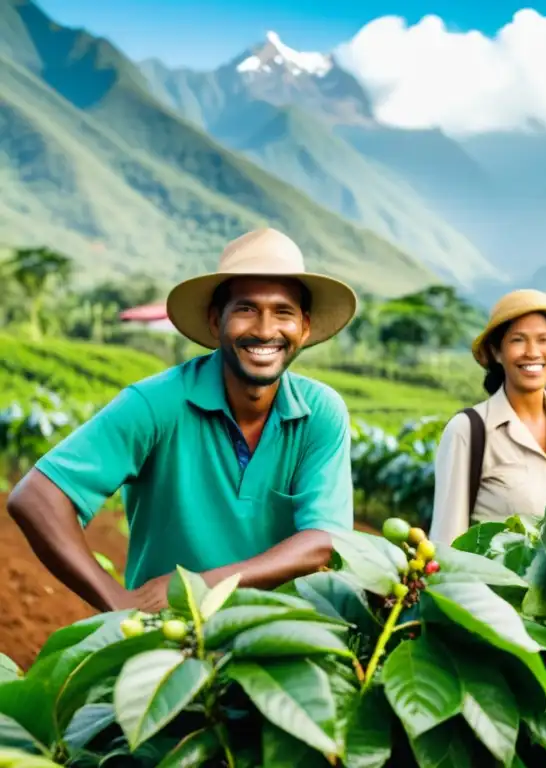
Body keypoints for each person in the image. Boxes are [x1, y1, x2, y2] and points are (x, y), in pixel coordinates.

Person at [7, 228, 359, 613]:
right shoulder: (155, 404)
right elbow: (37, 496)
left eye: (283, 312)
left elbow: (324, 539)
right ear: (215, 321)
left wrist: (202, 585)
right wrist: (115, 601)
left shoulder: (321, 412)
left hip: (280, 640)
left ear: (304, 328)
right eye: (245, 309)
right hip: (168, 640)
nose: (264, 329)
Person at [429, 289, 546, 545]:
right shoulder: (468, 430)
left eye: (544, 340)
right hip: (498, 585)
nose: (532, 352)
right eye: (518, 340)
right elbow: (447, 541)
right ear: (496, 352)